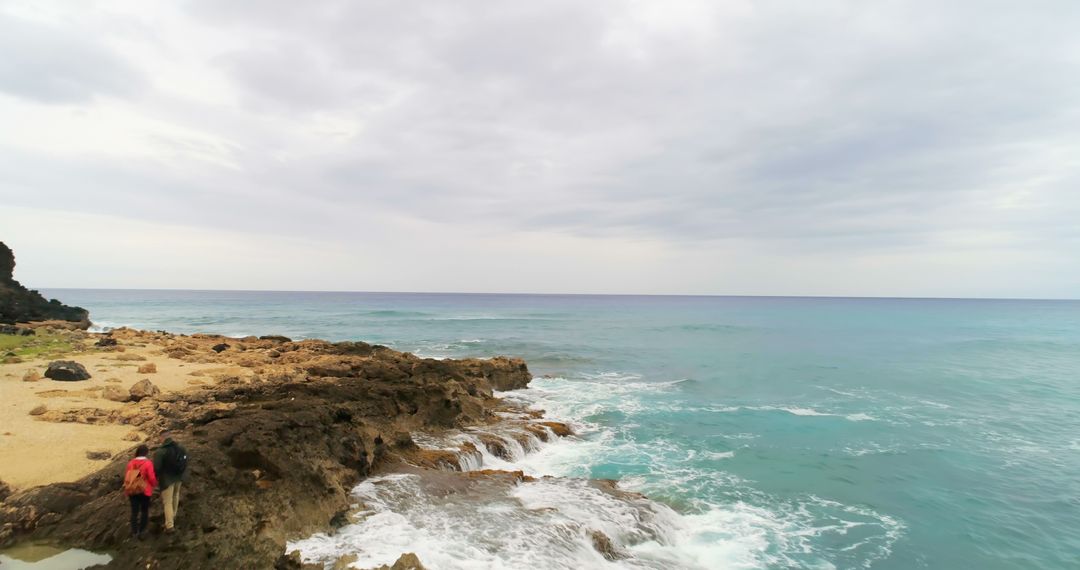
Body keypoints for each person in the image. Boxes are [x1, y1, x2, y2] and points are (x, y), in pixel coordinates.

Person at [152, 431, 189, 533]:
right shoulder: (181, 448)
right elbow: (186, 460)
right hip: (179, 477)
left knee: (167, 502)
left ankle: (169, 526)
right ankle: (173, 517)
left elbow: (157, 468)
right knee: (176, 496)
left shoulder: (160, 451)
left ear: (162, 438)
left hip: (167, 479)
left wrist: (156, 480)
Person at [123, 444, 157, 539]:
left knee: (134, 512)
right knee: (144, 511)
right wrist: (154, 484)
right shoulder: (148, 463)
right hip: (145, 491)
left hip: (133, 490)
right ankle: (142, 531)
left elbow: (127, 476)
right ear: (146, 453)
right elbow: (151, 477)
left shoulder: (130, 463)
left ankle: (134, 532)